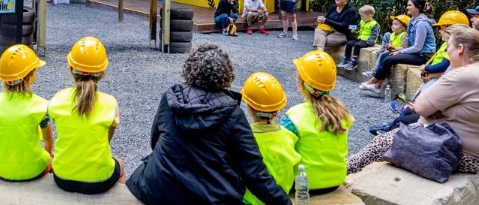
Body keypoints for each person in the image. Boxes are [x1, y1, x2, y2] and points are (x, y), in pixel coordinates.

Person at [126, 43, 291, 205]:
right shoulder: (233, 114)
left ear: (189, 68)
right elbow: (254, 174)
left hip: (157, 189)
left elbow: (155, 142)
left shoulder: (171, 99)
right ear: (226, 75)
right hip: (210, 197)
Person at [348, 26, 479, 175]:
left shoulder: (464, 75)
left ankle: (344, 173)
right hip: (475, 152)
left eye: (449, 46)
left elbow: (421, 107)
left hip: (456, 152)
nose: (446, 50)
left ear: (460, 49)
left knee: (383, 142)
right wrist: (439, 111)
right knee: (402, 129)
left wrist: (435, 111)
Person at [366, 12, 469, 135]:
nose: (440, 31)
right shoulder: (452, 53)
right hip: (438, 111)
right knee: (408, 114)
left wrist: (428, 69)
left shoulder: (464, 70)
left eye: (442, 27)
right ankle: (394, 125)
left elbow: (444, 71)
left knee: (409, 116)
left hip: (444, 124)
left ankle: (393, 129)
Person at [48, 36, 124, 194]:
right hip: (99, 181)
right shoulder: (110, 103)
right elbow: (107, 140)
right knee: (120, 164)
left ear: (70, 68)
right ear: (102, 72)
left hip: (62, 178)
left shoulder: (58, 99)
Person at [281, 50, 353, 193]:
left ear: (301, 84)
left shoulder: (294, 116)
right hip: (335, 181)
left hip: (303, 184)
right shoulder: (342, 112)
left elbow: (283, 153)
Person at [0, 44, 53, 181]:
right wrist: (48, 153)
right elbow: (48, 140)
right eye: (35, 70)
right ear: (29, 77)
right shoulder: (41, 106)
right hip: (31, 169)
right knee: (51, 160)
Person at [241, 72, 300, 205]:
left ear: (249, 107)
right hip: (282, 196)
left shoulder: (244, 137)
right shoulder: (289, 136)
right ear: (277, 110)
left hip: (249, 201)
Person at [360, 0, 436, 95]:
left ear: (418, 7)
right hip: (417, 53)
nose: (407, 7)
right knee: (385, 55)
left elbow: (418, 47)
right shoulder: (413, 20)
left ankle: (373, 82)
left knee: (389, 59)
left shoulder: (422, 24)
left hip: (423, 56)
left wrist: (400, 51)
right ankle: (377, 86)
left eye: (409, 5)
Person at [362, 14, 410, 79]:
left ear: (403, 28)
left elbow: (405, 48)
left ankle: (375, 71)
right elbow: (391, 44)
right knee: (387, 34)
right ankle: (382, 49)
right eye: (392, 24)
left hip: (399, 52)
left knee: (382, 55)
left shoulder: (404, 36)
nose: (392, 26)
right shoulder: (393, 34)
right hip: (393, 50)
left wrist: (393, 47)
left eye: (395, 24)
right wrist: (388, 47)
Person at [341, 5, 380, 70]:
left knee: (357, 45)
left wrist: (369, 42)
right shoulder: (362, 21)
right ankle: (346, 59)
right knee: (349, 43)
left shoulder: (374, 24)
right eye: (361, 16)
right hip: (360, 38)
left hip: (367, 41)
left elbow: (374, 34)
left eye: (363, 16)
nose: (361, 18)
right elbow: (359, 27)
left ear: (369, 15)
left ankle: (353, 62)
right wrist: (355, 29)